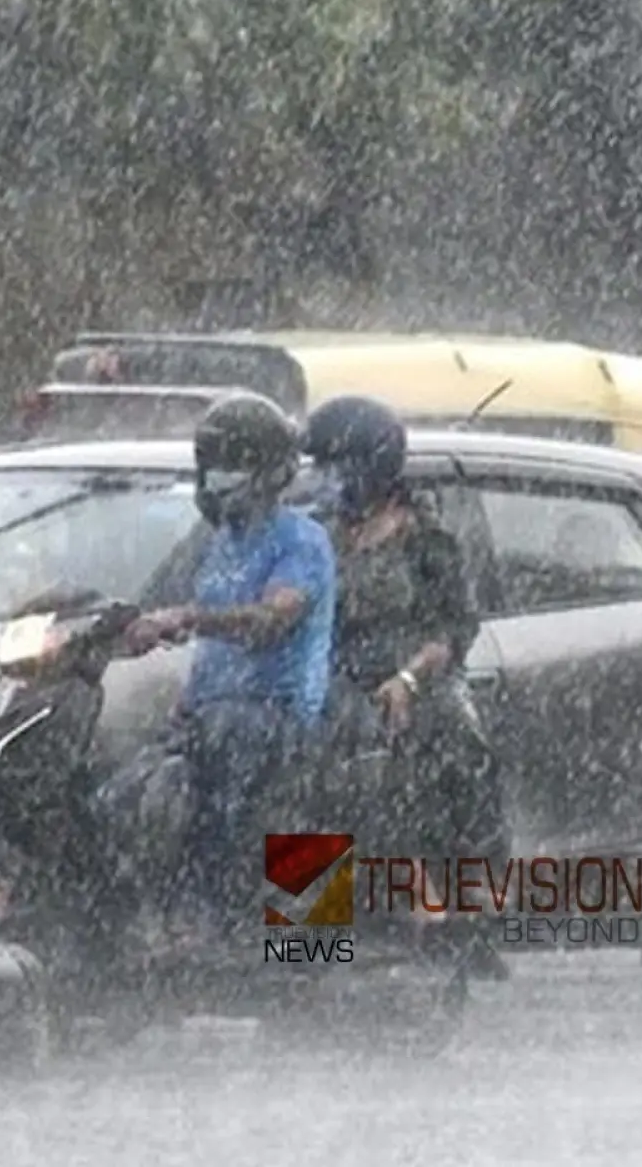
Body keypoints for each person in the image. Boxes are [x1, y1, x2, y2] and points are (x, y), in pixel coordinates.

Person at [118, 393, 337, 942]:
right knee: (126, 793)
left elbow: (271, 619)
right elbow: (177, 619)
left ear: (267, 470)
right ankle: (138, 919)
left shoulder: (300, 541)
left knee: (220, 779)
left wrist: (192, 617)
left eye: (230, 463)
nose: (216, 478)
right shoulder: (218, 543)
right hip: (213, 712)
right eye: (209, 464)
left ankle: (221, 907)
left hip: (275, 714)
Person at [299, 395, 496, 868]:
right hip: (336, 685)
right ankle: (307, 929)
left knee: (459, 753)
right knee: (306, 782)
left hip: (418, 684)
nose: (325, 480)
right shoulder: (318, 535)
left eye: (335, 468)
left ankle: (461, 903)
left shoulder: (427, 537)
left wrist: (408, 680)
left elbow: (453, 629)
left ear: (371, 467)